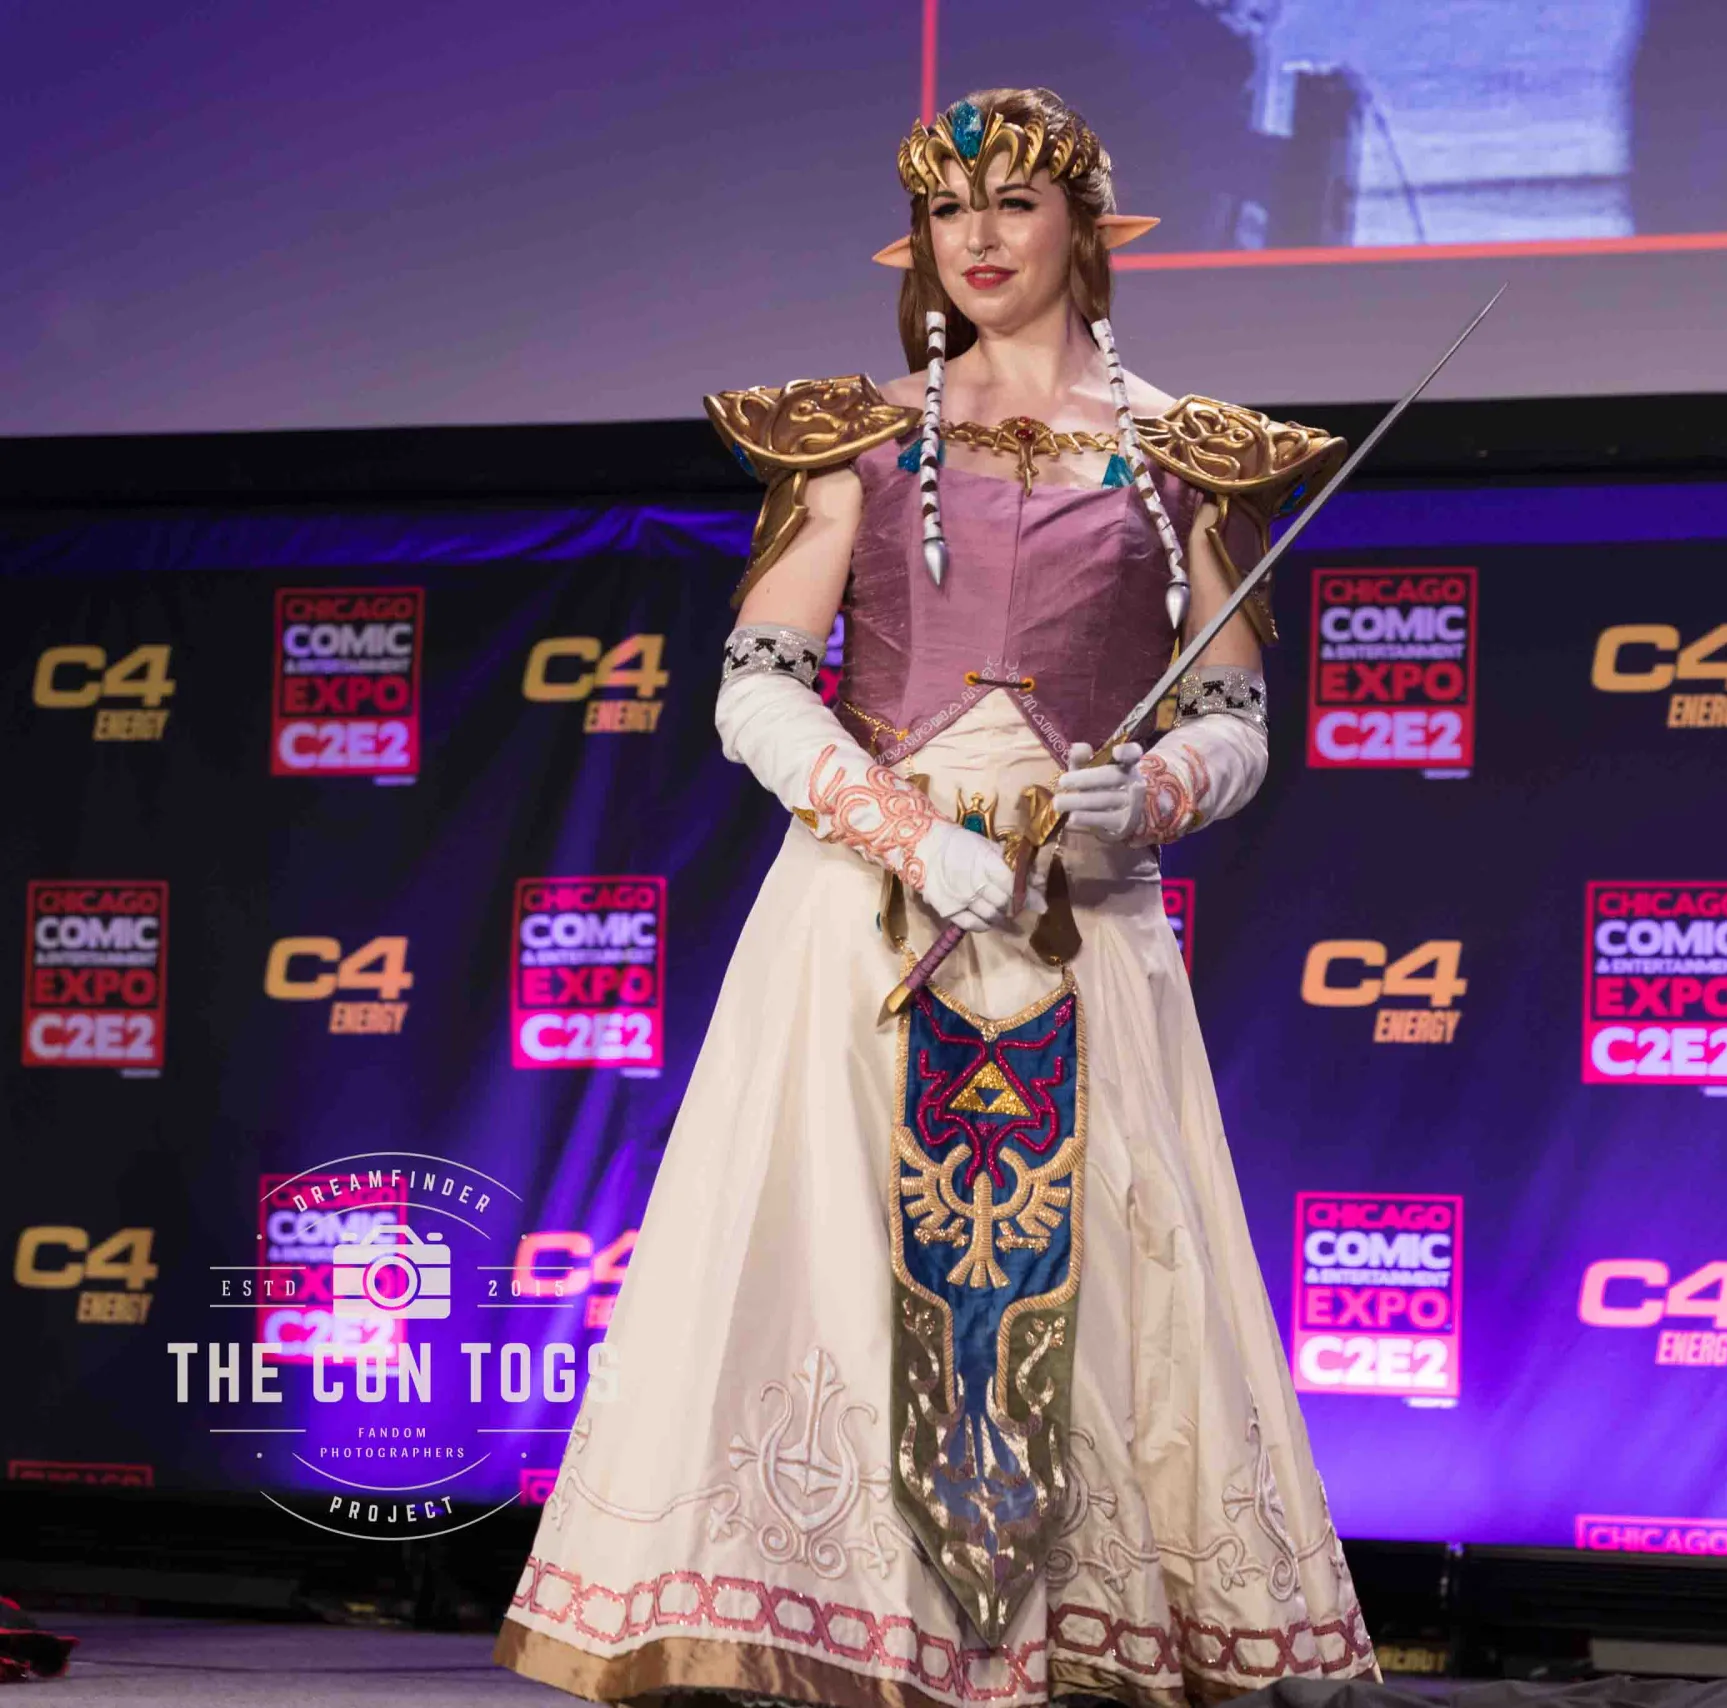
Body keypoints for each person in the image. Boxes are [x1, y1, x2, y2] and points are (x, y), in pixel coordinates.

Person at [494, 86, 1375, 1708]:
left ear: (1084, 232)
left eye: (1015, 203)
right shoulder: (853, 439)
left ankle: (1066, 1655)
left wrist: (1152, 793)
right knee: (835, 1268)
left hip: (1080, 926)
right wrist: (907, 834)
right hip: (863, 922)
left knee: (1100, 1295)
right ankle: (851, 1643)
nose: (979, 237)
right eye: (950, 209)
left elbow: (1236, 719)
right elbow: (759, 685)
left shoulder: (1187, 456)